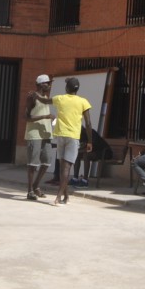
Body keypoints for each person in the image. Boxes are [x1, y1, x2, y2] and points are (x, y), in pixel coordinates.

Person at [52, 77, 92, 207]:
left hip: (61, 136)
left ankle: (63, 196)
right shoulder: (83, 102)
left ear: (66, 88)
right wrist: (90, 141)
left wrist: (37, 96)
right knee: (66, 168)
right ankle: (62, 196)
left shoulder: (60, 99)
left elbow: (45, 100)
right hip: (73, 137)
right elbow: (88, 123)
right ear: (78, 89)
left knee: (63, 167)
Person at [24, 73, 54, 200]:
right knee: (32, 164)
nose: (49, 85)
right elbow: (26, 117)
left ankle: (36, 186)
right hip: (34, 134)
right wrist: (45, 117)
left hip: (46, 133)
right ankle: (30, 190)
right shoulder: (32, 97)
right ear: (41, 84)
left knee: (47, 161)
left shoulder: (45, 97)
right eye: (47, 83)